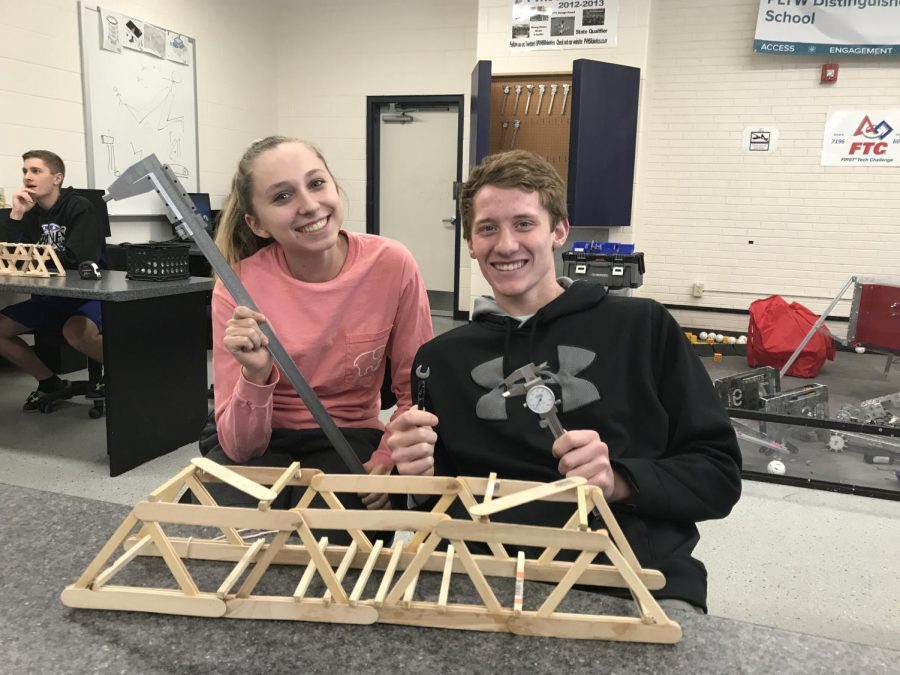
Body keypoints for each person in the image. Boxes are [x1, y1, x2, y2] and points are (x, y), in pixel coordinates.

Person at [387, 150, 742, 612]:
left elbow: (717, 476)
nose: (506, 244)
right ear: (470, 243)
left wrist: (619, 480)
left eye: (524, 224)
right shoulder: (440, 360)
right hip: (481, 575)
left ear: (559, 231)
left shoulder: (642, 328)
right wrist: (416, 478)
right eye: (488, 228)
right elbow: (428, 505)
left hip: (627, 576)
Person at [202, 136, 433, 511]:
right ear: (256, 224)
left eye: (316, 183)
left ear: (335, 188)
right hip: (262, 436)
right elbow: (241, 447)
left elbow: (416, 391)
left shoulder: (392, 264)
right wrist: (256, 376)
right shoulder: (237, 287)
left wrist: (388, 457)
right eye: (282, 197)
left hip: (349, 435)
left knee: (340, 554)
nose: (309, 206)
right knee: (212, 543)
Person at [0, 150, 106, 411]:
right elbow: (11, 256)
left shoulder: (78, 206)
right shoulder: (30, 212)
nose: (27, 177)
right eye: (25, 171)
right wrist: (16, 214)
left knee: (76, 332)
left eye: (36, 171)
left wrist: (33, 258)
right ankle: (50, 383)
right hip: (51, 296)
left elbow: (77, 258)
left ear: (57, 177)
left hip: (89, 293)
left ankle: (125, 373)